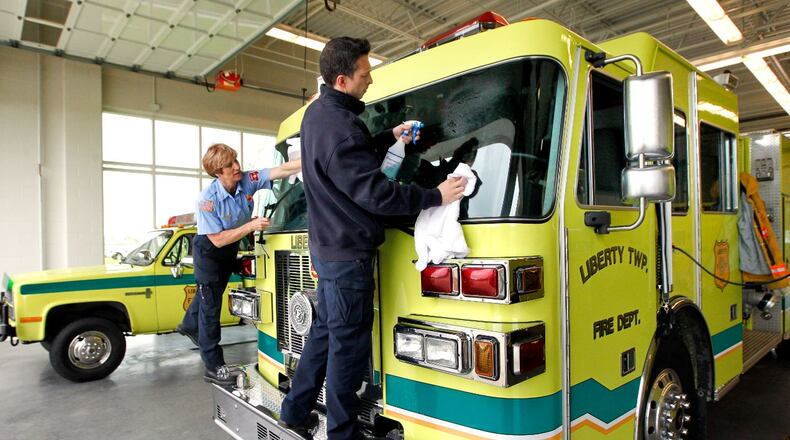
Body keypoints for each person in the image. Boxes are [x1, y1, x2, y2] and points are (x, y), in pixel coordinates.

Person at [278, 37, 467, 440]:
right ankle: (343, 434)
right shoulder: (342, 128)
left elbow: (347, 156)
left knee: (324, 334)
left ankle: (293, 410)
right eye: (365, 73)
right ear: (343, 80)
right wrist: (435, 195)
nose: (370, 79)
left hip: (328, 250)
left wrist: (388, 136)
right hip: (349, 259)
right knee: (347, 351)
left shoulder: (317, 114)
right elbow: (377, 195)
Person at [176, 143, 300, 385]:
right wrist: (251, 225)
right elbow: (218, 239)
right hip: (210, 250)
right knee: (210, 307)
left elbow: (281, 170)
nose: (236, 167)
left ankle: (189, 325)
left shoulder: (245, 180)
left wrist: (311, 159)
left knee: (209, 292)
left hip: (229, 247)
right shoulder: (207, 201)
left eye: (235, 160)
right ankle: (213, 366)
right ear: (217, 172)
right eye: (229, 165)